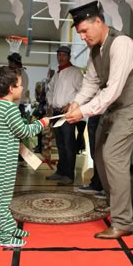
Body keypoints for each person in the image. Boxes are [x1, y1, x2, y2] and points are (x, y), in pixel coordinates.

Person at [66, 0, 133, 239]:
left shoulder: (121, 44)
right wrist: (76, 103)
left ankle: (123, 222)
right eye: (79, 32)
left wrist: (82, 112)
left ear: (99, 22)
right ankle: (116, 207)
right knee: (99, 156)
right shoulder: (95, 51)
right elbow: (91, 83)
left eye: (84, 30)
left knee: (113, 155)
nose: (82, 36)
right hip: (113, 109)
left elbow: (112, 90)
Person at [0, 66, 49, 247]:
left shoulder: (0, 106)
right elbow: (24, 132)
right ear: (11, 89)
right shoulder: (9, 109)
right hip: (2, 162)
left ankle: (10, 227)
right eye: (20, 85)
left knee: (4, 198)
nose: (22, 88)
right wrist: (41, 123)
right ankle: (4, 238)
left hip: (0, 161)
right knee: (0, 201)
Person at [46, 46, 83, 186]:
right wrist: (50, 103)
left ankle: (69, 175)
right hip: (56, 113)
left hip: (67, 113)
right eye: (59, 55)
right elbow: (50, 90)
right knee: (60, 144)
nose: (61, 57)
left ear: (68, 56)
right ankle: (60, 172)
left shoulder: (75, 72)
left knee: (68, 144)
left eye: (63, 55)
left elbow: (82, 91)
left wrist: (71, 104)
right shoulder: (57, 74)